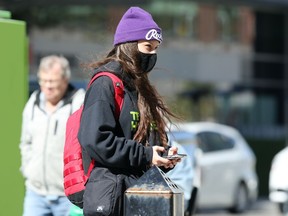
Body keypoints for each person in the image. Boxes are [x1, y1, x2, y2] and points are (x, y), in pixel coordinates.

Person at [78, 6, 181, 216]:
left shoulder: (138, 88)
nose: (153, 54)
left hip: (137, 196)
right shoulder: (106, 84)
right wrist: (145, 155)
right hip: (110, 199)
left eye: (156, 48)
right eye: (147, 46)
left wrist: (161, 154)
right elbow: (96, 141)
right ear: (129, 45)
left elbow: (140, 141)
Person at [19, 55, 85, 216]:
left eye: (52, 81)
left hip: (67, 196)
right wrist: (28, 169)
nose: (47, 86)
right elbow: (25, 142)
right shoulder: (33, 102)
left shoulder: (79, 102)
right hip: (36, 193)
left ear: (65, 80)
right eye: (43, 81)